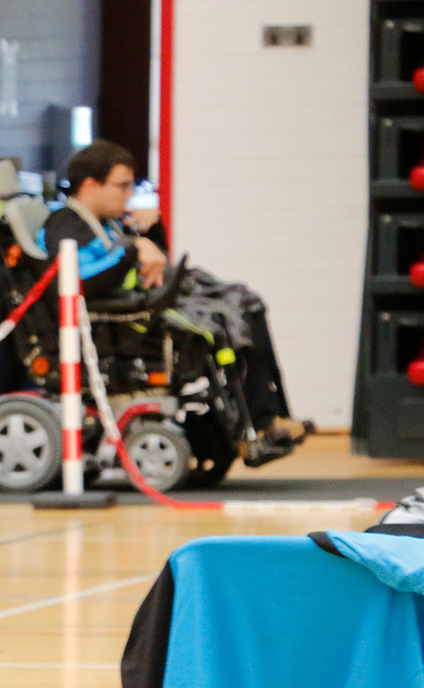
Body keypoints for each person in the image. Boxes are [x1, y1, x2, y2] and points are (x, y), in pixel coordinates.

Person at [41, 139, 307, 461]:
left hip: (140, 304)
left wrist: (150, 232)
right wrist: (133, 248)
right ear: (90, 185)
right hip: (120, 319)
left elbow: (155, 262)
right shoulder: (64, 224)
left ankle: (269, 418)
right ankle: (256, 426)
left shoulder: (108, 223)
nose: (128, 195)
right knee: (224, 320)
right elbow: (81, 282)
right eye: (122, 186)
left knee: (248, 304)